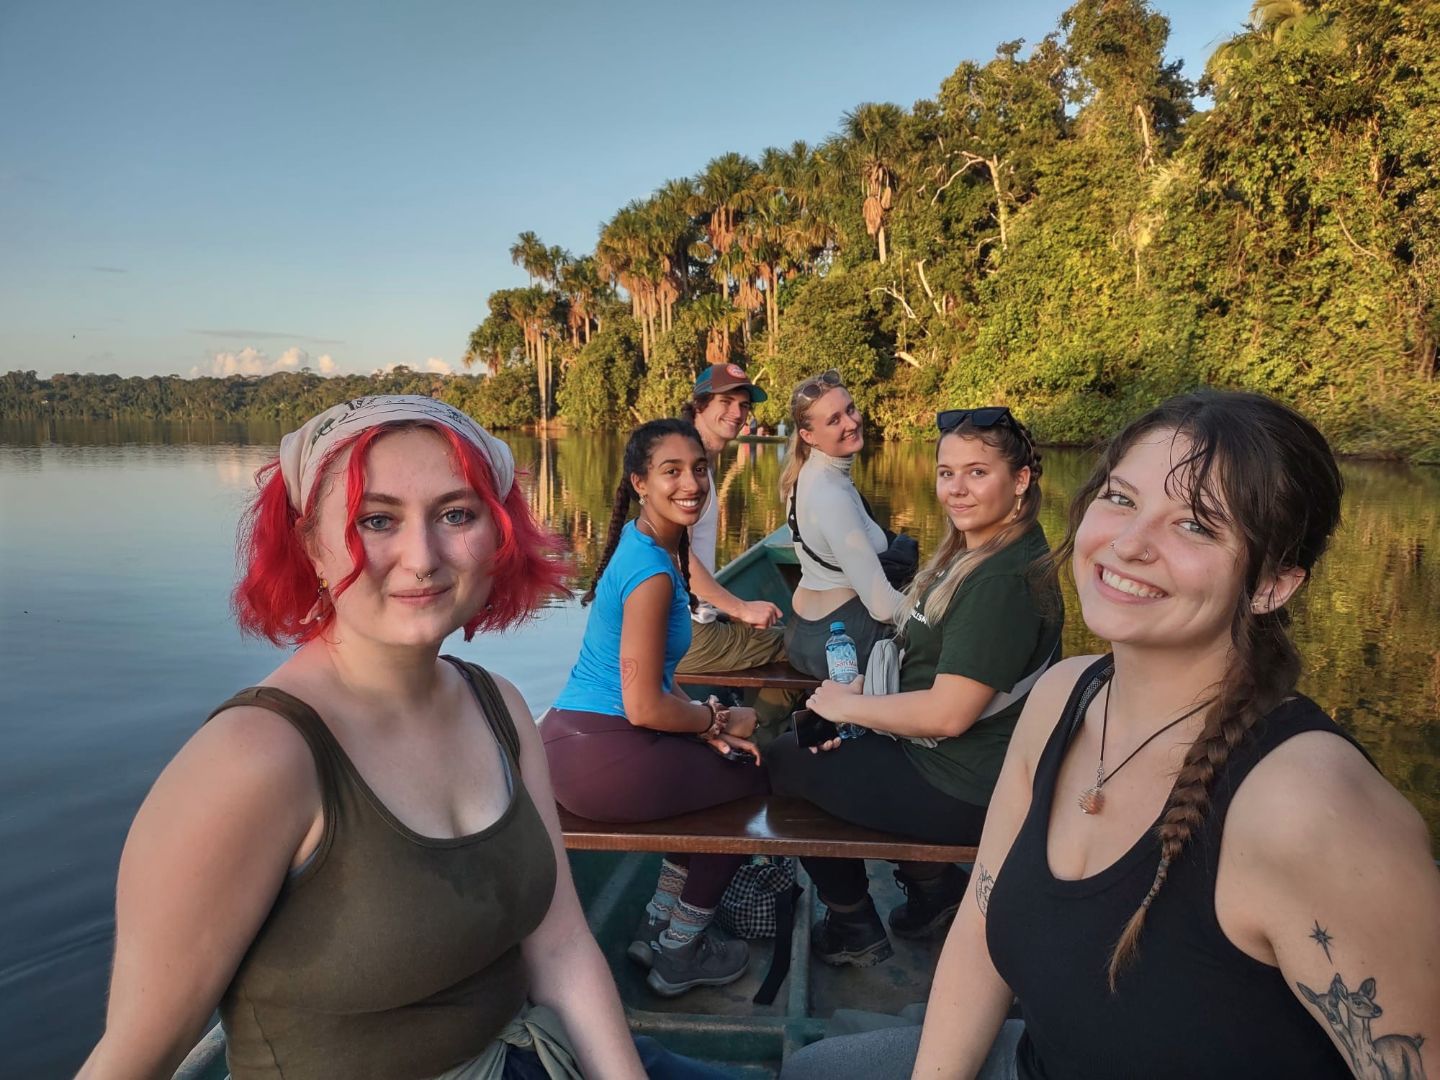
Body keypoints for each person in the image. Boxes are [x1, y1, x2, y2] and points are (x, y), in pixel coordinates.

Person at [785, 391, 1440, 1080]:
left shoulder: (1313, 810)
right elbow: (980, 927)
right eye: (1121, 500)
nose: (1127, 544)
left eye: (1194, 525)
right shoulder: (1064, 696)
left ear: (1273, 583)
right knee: (812, 1071)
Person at [77, 396, 733, 1080]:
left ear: (497, 533)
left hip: (537, 1056)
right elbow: (131, 1060)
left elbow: (562, 947)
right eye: (377, 520)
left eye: (457, 514)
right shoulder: (252, 759)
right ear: (310, 545)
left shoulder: (500, 706)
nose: (421, 558)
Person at [768, 407, 1060, 968]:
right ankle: (934, 894)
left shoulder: (1001, 579)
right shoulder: (978, 550)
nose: (957, 489)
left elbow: (949, 714)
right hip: (941, 756)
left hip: (966, 783)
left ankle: (853, 921)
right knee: (811, 737)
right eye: (947, 472)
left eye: (977, 472)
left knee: (784, 762)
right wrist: (854, 708)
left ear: (1020, 480)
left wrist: (850, 706)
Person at [542, 418, 768, 998]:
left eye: (699, 469)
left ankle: (655, 920)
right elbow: (644, 706)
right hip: (605, 755)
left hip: (573, 741)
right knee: (753, 778)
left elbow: (651, 690)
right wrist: (718, 722)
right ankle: (680, 949)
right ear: (640, 482)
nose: (691, 482)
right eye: (671, 471)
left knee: (710, 765)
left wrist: (699, 725)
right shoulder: (651, 573)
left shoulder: (647, 546)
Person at [779, 369, 909, 679]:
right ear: (808, 436)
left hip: (803, 632)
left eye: (850, 409)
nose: (851, 423)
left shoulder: (805, 476)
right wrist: (941, 606)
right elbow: (883, 607)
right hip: (843, 643)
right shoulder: (831, 495)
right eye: (834, 420)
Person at [675, 363, 787, 680]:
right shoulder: (688, 470)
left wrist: (728, 609)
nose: (737, 413)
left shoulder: (696, 464)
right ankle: (773, 725)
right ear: (699, 405)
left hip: (684, 624)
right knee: (801, 646)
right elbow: (675, 555)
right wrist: (741, 609)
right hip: (684, 636)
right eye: (726, 402)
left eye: (744, 405)